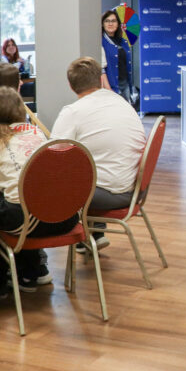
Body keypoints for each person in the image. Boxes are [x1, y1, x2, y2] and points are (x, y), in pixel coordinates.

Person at [0, 88, 79, 300]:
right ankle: (31, 271)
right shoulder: (35, 132)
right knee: (20, 200)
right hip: (65, 216)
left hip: (27, 223)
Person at [51, 56, 147, 251]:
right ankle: (96, 232)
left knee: (56, 182)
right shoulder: (120, 102)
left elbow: (51, 158)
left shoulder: (72, 112)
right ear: (99, 79)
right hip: (135, 187)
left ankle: (81, 235)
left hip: (109, 194)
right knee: (91, 164)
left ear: (70, 86)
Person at [100, 9, 135, 105]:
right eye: (107, 21)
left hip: (125, 85)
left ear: (118, 24)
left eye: (113, 21)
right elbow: (101, 69)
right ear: (102, 24)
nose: (110, 23)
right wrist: (108, 89)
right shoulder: (100, 42)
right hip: (112, 86)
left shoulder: (123, 42)